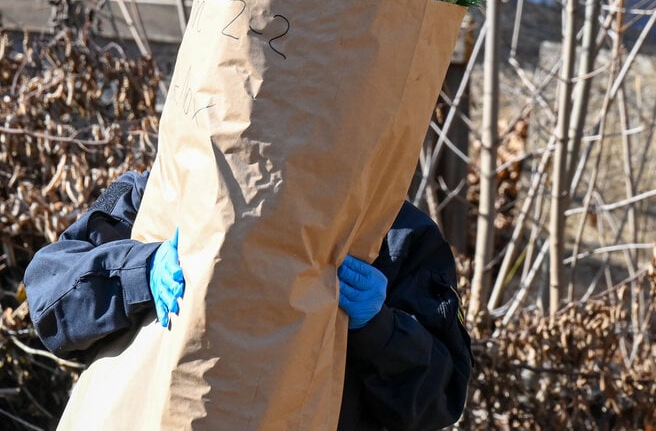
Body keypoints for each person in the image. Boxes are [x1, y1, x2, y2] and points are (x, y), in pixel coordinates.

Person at [24, 169, 473, 430]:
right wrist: (140, 269)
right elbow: (48, 296)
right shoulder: (171, 189)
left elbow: (441, 399)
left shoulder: (394, 235)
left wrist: (381, 329)